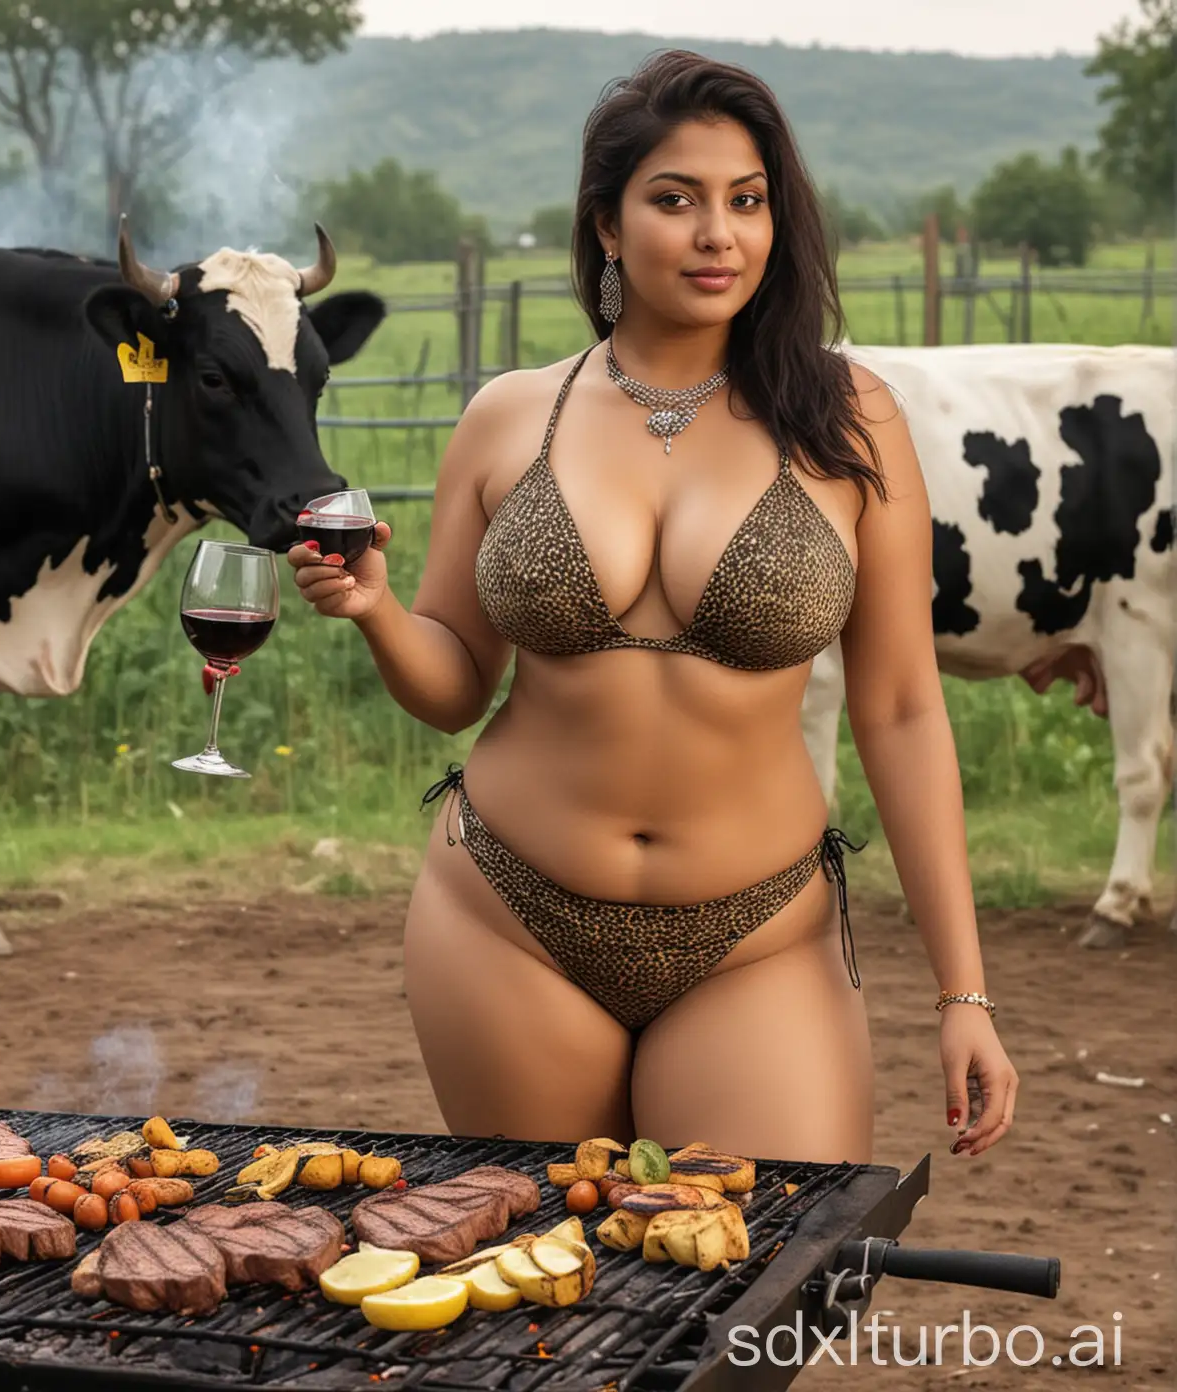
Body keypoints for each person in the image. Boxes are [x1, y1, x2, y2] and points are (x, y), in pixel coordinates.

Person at [287, 49, 1017, 1164]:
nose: (718, 234)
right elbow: (453, 688)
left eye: (748, 201)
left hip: (756, 936)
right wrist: (379, 612)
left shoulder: (847, 419)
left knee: (750, 1272)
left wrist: (965, 992)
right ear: (610, 228)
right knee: (547, 1284)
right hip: (505, 918)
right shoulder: (508, 417)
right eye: (676, 201)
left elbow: (906, 711)